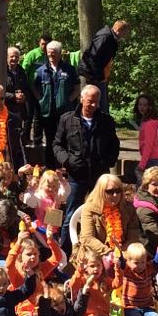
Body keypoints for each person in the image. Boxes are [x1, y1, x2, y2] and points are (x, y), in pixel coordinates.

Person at [51, 85, 121, 234]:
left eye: (96, 102)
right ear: (81, 99)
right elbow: (57, 144)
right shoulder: (67, 119)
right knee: (70, 216)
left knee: (102, 214)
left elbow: (114, 145)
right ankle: (66, 251)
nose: (94, 105)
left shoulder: (106, 121)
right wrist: (66, 161)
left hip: (99, 176)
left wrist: (108, 161)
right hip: (75, 175)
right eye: (90, 101)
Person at [33, 43, 79, 163]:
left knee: (66, 139)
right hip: (48, 113)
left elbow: (77, 87)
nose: (51, 56)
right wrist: (41, 100)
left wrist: (69, 99)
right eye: (49, 54)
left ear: (59, 53)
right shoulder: (41, 71)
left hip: (65, 112)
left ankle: (64, 166)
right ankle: (50, 167)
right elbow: (34, 88)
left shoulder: (69, 69)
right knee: (50, 140)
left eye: (53, 54)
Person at [77, 20, 129, 107]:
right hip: (94, 76)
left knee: (100, 104)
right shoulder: (105, 37)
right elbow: (93, 56)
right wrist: (98, 77)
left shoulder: (111, 38)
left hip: (99, 76)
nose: (124, 37)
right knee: (98, 104)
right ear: (119, 29)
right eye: (124, 34)